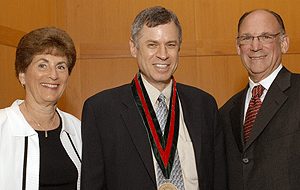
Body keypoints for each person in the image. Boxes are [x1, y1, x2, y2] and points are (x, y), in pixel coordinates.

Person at [81, 6, 227, 190]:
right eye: (152, 45)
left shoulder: (204, 105)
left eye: (171, 45)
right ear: (133, 48)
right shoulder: (101, 111)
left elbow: (219, 181)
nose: (163, 54)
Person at [219, 9, 300, 189]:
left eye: (265, 37)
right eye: (246, 38)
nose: (255, 46)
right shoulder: (226, 112)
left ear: (284, 43)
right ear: (238, 47)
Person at [0, 27, 81, 189]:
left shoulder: (76, 128)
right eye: (43, 65)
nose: (53, 75)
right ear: (22, 74)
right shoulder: (2, 125)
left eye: (61, 66)